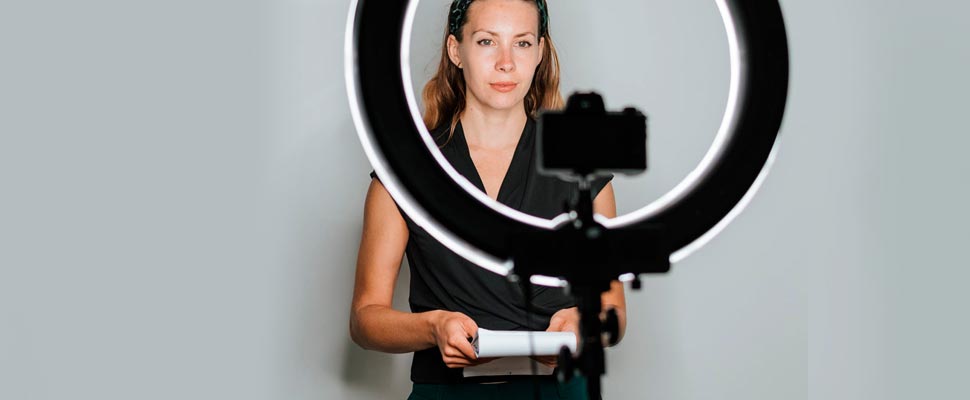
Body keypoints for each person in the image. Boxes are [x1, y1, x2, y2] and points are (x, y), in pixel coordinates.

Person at [350, 0, 627, 398]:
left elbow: (613, 310)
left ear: (540, 52)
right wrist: (433, 326)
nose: (506, 63)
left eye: (523, 43)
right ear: (455, 50)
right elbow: (364, 319)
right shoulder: (405, 171)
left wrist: (584, 323)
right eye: (486, 42)